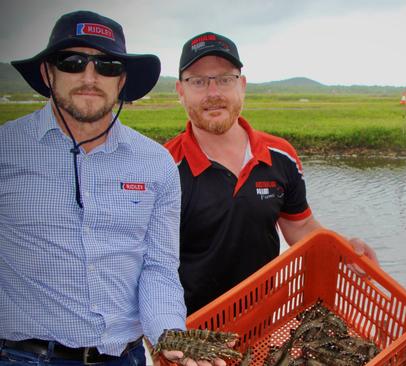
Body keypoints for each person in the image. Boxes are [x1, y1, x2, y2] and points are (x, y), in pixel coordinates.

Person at [0, 11, 226, 366]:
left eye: (106, 66)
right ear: (48, 73)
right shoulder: (6, 149)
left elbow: (159, 268)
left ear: (121, 80)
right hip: (24, 356)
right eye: (72, 62)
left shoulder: (156, 163)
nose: (90, 77)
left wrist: (170, 335)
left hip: (126, 357)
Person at [165, 32, 379, 315]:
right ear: (181, 90)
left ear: (242, 85)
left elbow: (300, 227)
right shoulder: (164, 167)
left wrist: (341, 248)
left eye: (225, 79)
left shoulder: (281, 156)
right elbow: (148, 265)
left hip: (266, 321)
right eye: (198, 81)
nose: (213, 93)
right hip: (194, 332)